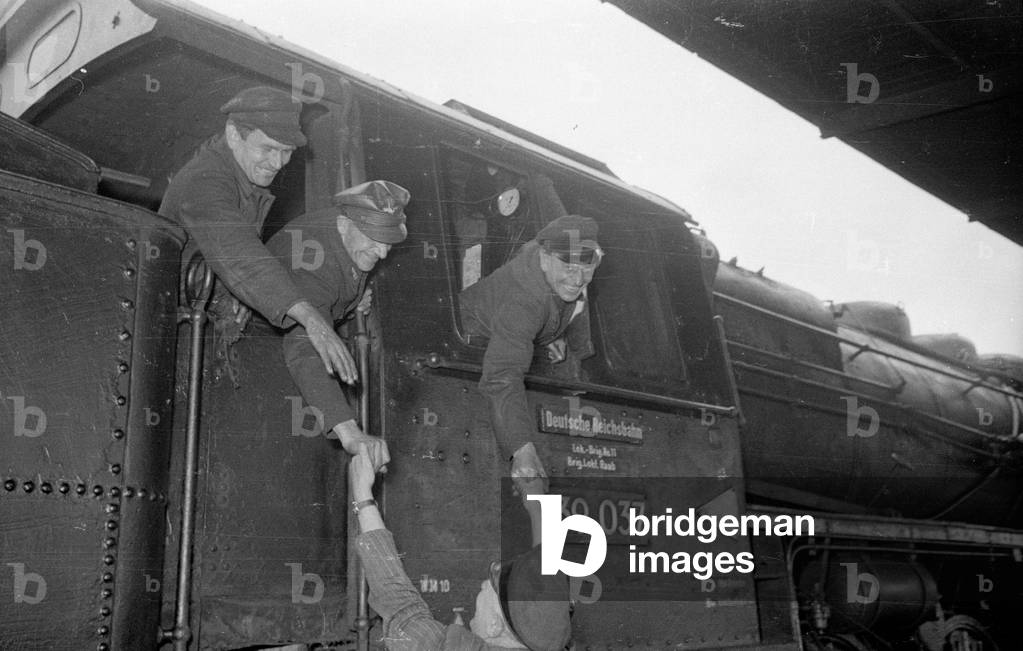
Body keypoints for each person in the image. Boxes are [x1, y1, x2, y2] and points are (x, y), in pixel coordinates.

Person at [159, 85, 359, 386]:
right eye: (267, 148)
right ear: (233, 134)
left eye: (287, 152)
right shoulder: (205, 180)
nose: (277, 164)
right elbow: (239, 252)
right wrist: (312, 319)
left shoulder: (244, 179)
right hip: (172, 335)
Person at [350, 445, 571, 650]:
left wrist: (362, 493)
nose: (485, 582)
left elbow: (401, 606)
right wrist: (536, 496)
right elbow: (547, 574)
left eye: (489, 588)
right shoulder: (549, 637)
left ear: (495, 626)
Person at [264, 180, 410, 470]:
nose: (382, 254)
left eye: (388, 243)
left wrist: (347, 306)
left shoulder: (346, 234)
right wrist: (351, 434)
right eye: (374, 240)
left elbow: (329, 298)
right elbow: (307, 345)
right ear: (344, 225)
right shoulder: (313, 255)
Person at [458, 215, 603, 483]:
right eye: (568, 265)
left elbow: (558, 305)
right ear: (545, 259)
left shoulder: (555, 275)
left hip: (499, 344)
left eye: (587, 266)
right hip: (468, 352)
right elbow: (502, 375)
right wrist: (521, 448)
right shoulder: (523, 301)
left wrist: (548, 335)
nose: (578, 277)